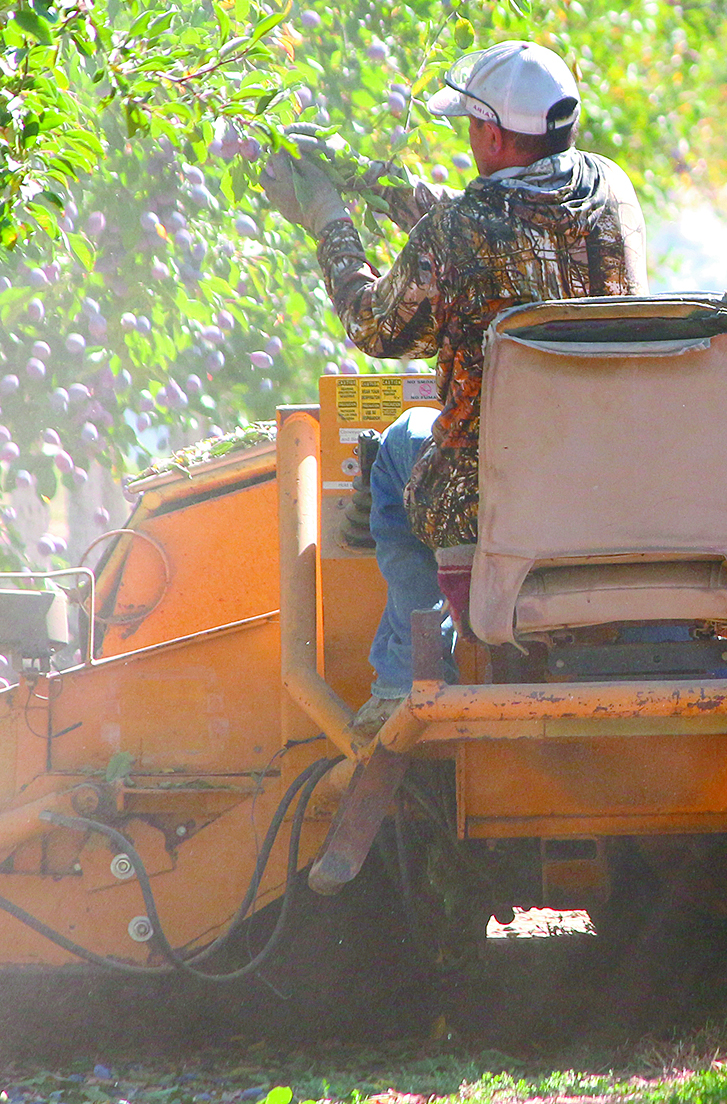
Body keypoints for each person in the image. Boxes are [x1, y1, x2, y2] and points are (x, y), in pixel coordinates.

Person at [262, 40, 648, 736]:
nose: (469, 139)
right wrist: (372, 178)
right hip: (607, 483)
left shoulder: (455, 235)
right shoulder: (610, 190)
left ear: (493, 136)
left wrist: (329, 222)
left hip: (489, 499)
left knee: (397, 454)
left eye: (472, 127)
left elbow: (374, 326)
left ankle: (405, 678)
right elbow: (494, 224)